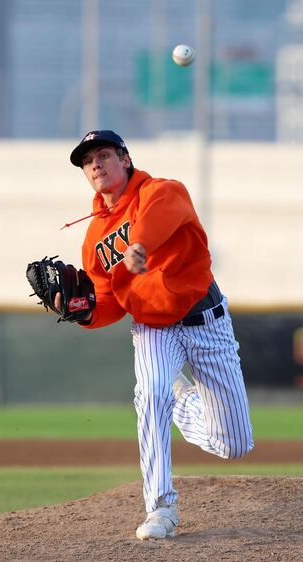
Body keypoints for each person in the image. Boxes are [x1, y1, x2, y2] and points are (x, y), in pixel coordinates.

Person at [65, 130, 254, 540]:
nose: (95, 164)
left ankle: (182, 400)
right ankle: (161, 507)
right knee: (150, 395)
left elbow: (159, 218)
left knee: (235, 444)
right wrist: (82, 313)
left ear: (125, 159)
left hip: (207, 320)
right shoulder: (94, 240)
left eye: (103, 155)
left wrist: (139, 245)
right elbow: (110, 302)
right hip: (153, 329)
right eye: (87, 161)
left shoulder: (163, 191)